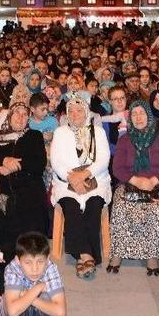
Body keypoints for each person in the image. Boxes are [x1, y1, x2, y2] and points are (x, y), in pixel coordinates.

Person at [108, 100, 159, 276]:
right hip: (130, 183)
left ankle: (151, 255)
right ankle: (118, 253)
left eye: (142, 113)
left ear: (149, 116)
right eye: (134, 114)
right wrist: (136, 181)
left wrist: (153, 180)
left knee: (154, 208)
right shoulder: (125, 139)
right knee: (121, 207)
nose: (138, 117)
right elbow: (117, 168)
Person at [49, 96, 112, 278]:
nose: (75, 114)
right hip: (66, 182)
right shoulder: (60, 132)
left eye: (79, 110)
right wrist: (73, 180)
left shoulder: (97, 131)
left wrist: (84, 175)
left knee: (93, 205)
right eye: (71, 111)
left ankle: (81, 257)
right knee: (71, 207)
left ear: (86, 112)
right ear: (67, 114)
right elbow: (56, 161)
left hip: (95, 180)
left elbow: (103, 159)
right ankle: (87, 254)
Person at [0, 103, 49, 236]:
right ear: (10, 116)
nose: (20, 117)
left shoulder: (34, 136)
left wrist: (15, 167)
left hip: (28, 182)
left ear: (28, 119)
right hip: (3, 182)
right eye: (17, 113)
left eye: (25, 114)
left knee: (31, 209)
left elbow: (40, 164)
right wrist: (3, 161)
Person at [0, 232, 67, 316]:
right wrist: (38, 288)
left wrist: (30, 297)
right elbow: (13, 312)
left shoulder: (51, 268)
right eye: (28, 262)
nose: (35, 269)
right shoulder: (13, 268)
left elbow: (61, 312)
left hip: (40, 312)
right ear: (18, 261)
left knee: (45, 296)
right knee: (9, 301)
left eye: (40, 262)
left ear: (47, 259)